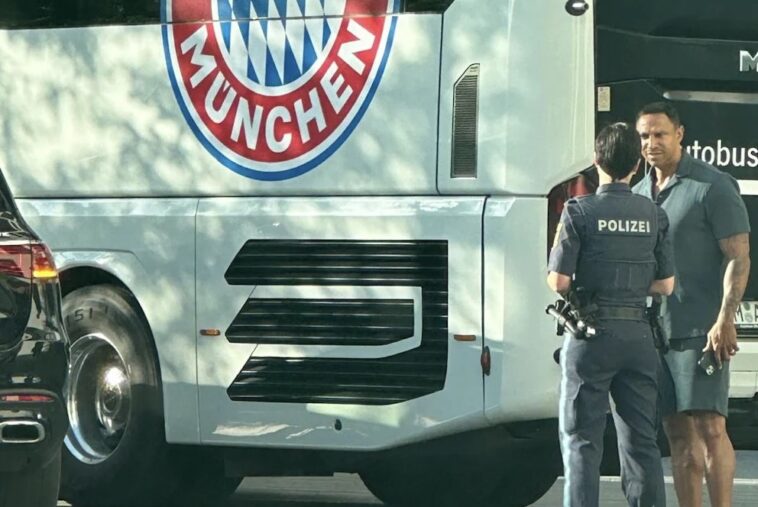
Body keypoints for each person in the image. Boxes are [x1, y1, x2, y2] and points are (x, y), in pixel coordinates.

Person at [548, 122, 675, 507]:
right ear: (636, 165)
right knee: (641, 442)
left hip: (590, 337)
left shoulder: (578, 211)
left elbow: (558, 281)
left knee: (581, 442)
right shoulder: (654, 214)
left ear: (595, 161)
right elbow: (666, 285)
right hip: (638, 336)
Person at [634, 102, 751, 507]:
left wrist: (725, 319)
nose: (651, 143)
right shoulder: (638, 194)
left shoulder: (712, 185)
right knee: (677, 433)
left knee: (710, 429)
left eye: (660, 134)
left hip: (701, 329)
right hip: (654, 333)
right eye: (644, 136)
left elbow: (739, 256)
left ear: (680, 134)